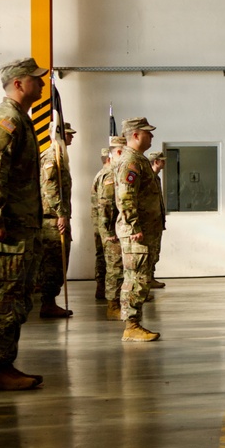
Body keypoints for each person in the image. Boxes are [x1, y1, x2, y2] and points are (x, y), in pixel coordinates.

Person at [0, 57, 48, 390]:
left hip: (18, 223)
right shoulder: (6, 119)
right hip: (4, 225)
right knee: (4, 297)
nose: (41, 84)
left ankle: (4, 365)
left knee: (15, 296)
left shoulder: (19, 118)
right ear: (18, 83)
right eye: (35, 79)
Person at [113, 118, 162, 342]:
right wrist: (133, 225)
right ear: (135, 135)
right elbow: (125, 195)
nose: (151, 136)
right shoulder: (131, 161)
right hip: (136, 232)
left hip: (145, 230)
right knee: (136, 278)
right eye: (147, 133)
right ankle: (131, 326)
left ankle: (134, 323)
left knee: (141, 278)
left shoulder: (139, 160)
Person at [36, 122, 76, 318]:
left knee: (59, 262)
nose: (71, 137)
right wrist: (61, 213)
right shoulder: (52, 157)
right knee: (53, 264)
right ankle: (48, 303)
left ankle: (49, 302)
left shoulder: (61, 157)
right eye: (68, 134)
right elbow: (49, 188)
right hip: (52, 219)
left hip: (57, 217)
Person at [97, 137, 126, 320]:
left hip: (115, 228)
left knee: (117, 267)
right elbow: (106, 204)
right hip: (112, 230)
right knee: (115, 268)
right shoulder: (110, 175)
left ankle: (116, 303)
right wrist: (109, 231)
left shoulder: (115, 172)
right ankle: (112, 305)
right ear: (118, 152)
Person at [90, 146, 110, 300]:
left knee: (101, 254)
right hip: (104, 223)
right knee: (105, 256)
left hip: (100, 221)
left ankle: (101, 286)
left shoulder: (100, 174)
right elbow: (105, 203)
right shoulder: (107, 176)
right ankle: (103, 287)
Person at [147, 151, 167, 289]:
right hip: (149, 222)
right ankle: (146, 280)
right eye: (162, 160)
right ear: (156, 162)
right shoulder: (147, 178)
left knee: (154, 252)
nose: (164, 163)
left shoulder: (156, 178)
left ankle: (150, 278)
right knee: (148, 253)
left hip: (156, 221)